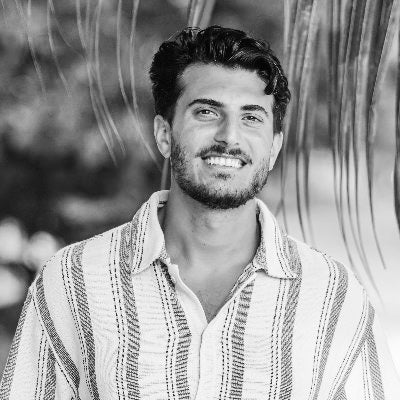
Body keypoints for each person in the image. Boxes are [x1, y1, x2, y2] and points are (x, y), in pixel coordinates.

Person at [0, 25, 399, 400]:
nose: (229, 136)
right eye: (207, 112)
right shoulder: (73, 282)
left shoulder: (332, 296)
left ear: (275, 146)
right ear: (163, 133)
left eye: (251, 117)